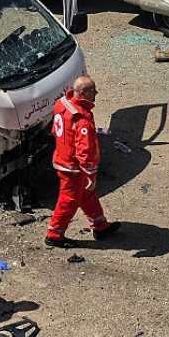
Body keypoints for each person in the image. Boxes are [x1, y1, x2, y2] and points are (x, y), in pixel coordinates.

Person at [46, 75, 120, 247]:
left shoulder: (62, 104)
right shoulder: (82, 120)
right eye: (93, 91)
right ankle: (54, 234)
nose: (96, 93)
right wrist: (91, 174)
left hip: (62, 158)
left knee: (86, 196)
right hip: (72, 167)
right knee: (69, 200)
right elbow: (85, 151)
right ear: (84, 93)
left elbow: (55, 130)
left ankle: (100, 226)